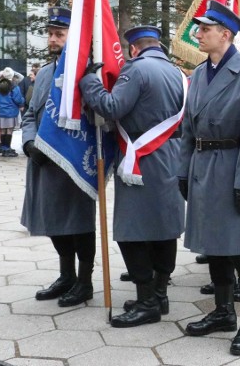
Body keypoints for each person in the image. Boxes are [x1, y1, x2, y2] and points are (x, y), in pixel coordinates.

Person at [178, 1, 240, 356]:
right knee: (213, 245)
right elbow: (188, 127)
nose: (198, 34)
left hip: (233, 169)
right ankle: (222, 311)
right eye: (199, 28)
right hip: (204, 167)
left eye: (204, 29)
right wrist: (183, 169)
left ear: (226, 35)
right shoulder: (200, 74)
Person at [79, 25, 186, 328]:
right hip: (171, 156)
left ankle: (147, 302)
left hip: (142, 158)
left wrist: (89, 81)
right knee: (166, 228)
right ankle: (160, 293)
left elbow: (112, 106)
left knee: (132, 231)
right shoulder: (178, 73)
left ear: (134, 49)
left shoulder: (136, 70)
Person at [21, 7, 96, 308]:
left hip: (73, 164)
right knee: (51, 222)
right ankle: (66, 275)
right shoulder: (45, 74)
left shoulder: (87, 74)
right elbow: (30, 114)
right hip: (42, 161)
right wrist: (29, 144)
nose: (52, 39)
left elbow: (95, 120)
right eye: (51, 34)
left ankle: (85, 282)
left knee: (78, 224)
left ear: (74, 38)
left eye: (59, 34)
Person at [0, 68, 25, 157]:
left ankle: (4, 148)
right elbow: (18, 99)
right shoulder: (14, 86)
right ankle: (7, 149)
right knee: (10, 130)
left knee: (3, 130)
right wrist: (22, 101)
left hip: (2, 111)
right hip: (11, 111)